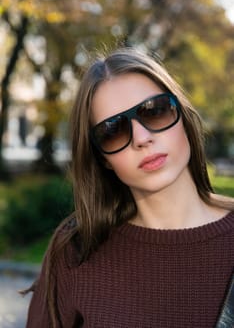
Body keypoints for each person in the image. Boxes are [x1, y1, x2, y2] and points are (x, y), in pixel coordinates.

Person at [26, 47, 234, 327]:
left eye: (155, 111)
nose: (142, 138)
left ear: (182, 114)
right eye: (113, 130)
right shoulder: (74, 252)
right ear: (103, 158)